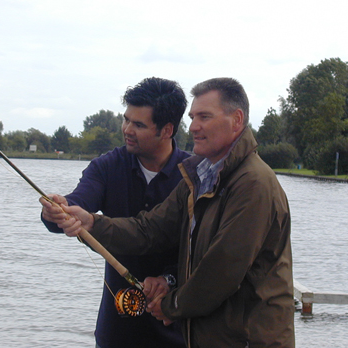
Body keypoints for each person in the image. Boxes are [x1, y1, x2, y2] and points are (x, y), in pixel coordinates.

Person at [56, 77, 295, 348]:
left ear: (237, 120)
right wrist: (91, 223)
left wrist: (169, 305)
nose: (193, 127)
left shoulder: (253, 183)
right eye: (193, 117)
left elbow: (221, 271)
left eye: (204, 117)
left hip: (250, 339)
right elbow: (150, 229)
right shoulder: (199, 176)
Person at [40, 77, 189, 348]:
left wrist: (169, 278)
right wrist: (57, 210)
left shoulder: (193, 174)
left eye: (139, 124)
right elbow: (79, 202)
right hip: (116, 333)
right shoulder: (107, 166)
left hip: (180, 332)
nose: (127, 130)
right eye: (126, 120)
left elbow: (207, 252)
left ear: (167, 130)